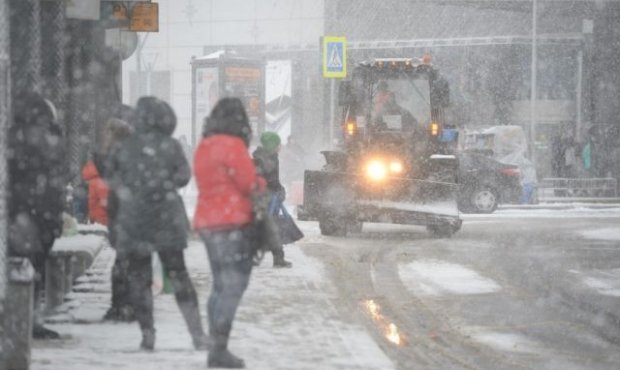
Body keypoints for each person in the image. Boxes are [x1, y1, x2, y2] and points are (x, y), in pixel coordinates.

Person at [107, 97, 208, 350]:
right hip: (167, 219)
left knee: (139, 277)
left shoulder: (125, 146)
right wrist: (164, 182)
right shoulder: (171, 145)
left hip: (135, 219)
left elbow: (114, 185)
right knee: (179, 274)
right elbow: (184, 177)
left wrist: (115, 222)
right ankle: (197, 333)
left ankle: (147, 333)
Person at [194, 97, 267, 368]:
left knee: (220, 284)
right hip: (233, 223)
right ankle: (219, 348)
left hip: (208, 223)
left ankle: (215, 343)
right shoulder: (233, 145)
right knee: (233, 285)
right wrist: (260, 180)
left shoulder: (204, 145)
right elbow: (248, 183)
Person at [7, 92, 67, 339]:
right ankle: (30, 319)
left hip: (21, 213)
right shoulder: (51, 138)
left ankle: (19, 319)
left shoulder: (13, 138)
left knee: (20, 265)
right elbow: (56, 177)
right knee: (35, 266)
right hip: (43, 213)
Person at [93, 117, 134, 322]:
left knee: (122, 261)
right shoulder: (128, 152)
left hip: (121, 211)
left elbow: (105, 172)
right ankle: (126, 305)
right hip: (126, 211)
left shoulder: (114, 154)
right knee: (127, 261)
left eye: (108, 132)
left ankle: (120, 305)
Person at [253, 131, 293, 268]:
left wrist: (279, 189)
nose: (280, 146)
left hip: (270, 197)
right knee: (269, 227)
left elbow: (273, 179)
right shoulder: (263, 159)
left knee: (269, 227)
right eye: (277, 144)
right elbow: (266, 179)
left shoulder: (270, 157)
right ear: (271, 145)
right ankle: (277, 258)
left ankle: (275, 257)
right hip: (265, 198)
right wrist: (277, 189)